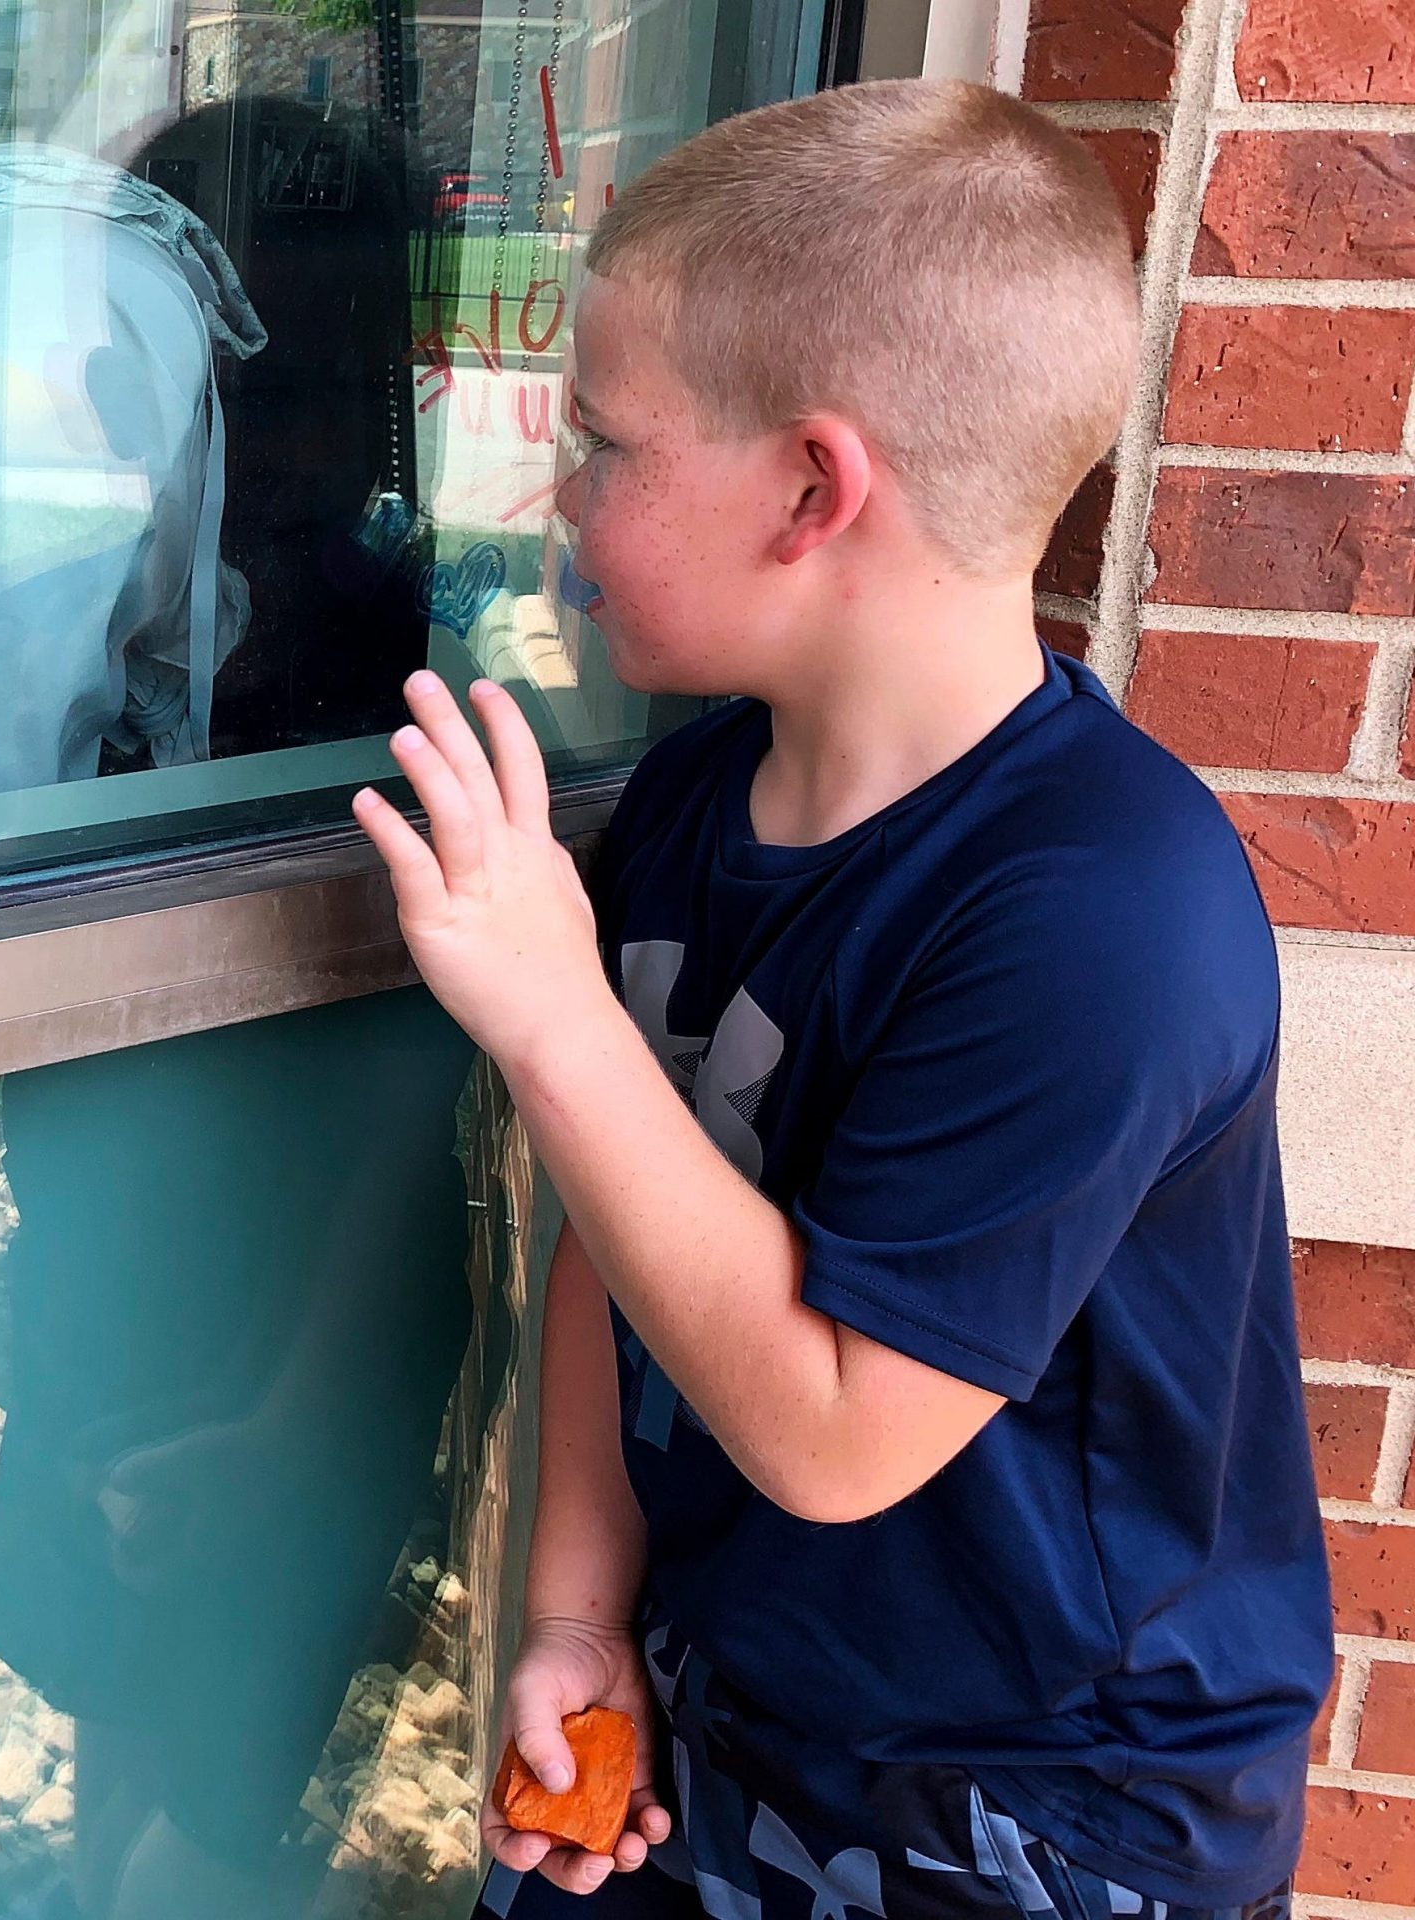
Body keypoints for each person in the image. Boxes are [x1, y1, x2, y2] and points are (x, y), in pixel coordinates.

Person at [348, 79, 1329, 1920]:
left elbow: (834, 1429)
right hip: (738, 1698)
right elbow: (617, 1231)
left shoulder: (1103, 913)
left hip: (1044, 1805)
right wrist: (578, 1610)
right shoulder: (700, 802)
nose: (561, 497)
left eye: (605, 443)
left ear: (812, 489)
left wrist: (551, 1014)